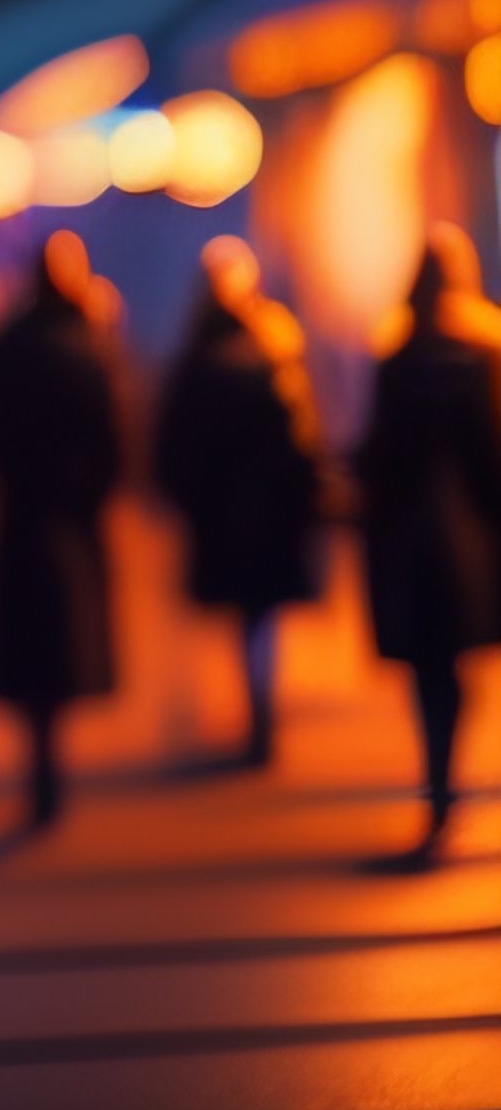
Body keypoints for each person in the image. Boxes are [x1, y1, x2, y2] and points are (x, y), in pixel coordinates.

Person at [358, 222, 501, 857]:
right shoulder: (482, 356)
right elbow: (491, 456)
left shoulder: (397, 358)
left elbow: (379, 458)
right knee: (462, 669)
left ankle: (439, 789)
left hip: (411, 542)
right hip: (471, 537)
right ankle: (452, 788)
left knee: (429, 672)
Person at [0, 229, 123, 827]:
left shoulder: (7, 346)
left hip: (20, 514)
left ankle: (40, 764)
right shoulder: (85, 345)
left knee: (31, 644)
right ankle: (49, 766)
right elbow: (111, 436)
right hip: (68, 514)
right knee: (61, 638)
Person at [154, 235, 324, 766]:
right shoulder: (273, 341)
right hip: (268, 505)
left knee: (247, 614)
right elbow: (299, 429)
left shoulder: (197, 351)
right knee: (260, 613)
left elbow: (174, 439)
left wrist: (185, 495)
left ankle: (257, 706)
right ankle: (261, 705)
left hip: (224, 508)